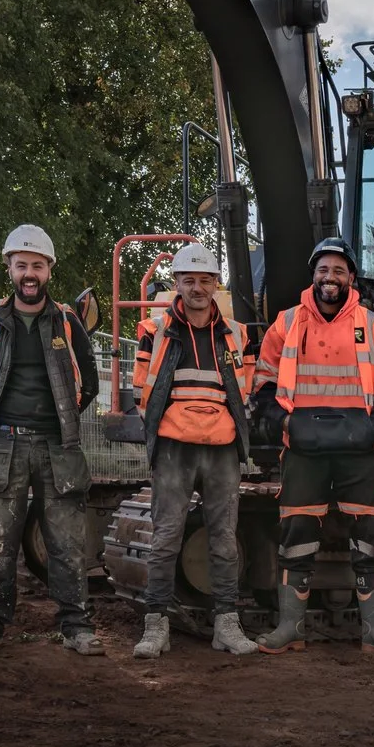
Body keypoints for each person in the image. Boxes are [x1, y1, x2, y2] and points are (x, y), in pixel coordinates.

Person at [250, 236, 374, 655]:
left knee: (371, 535)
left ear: (352, 278)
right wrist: (285, 424)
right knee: (296, 532)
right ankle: (290, 628)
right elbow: (263, 382)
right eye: (323, 269)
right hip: (303, 449)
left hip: (362, 451)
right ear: (313, 274)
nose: (330, 277)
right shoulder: (285, 323)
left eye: (339, 270)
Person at [0, 224, 103, 657]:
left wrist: (61, 419)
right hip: (4, 443)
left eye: (37, 265)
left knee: (68, 544)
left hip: (59, 445)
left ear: (49, 271)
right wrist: (5, 416)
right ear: (10, 269)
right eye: (22, 266)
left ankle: (77, 627)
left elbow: (88, 382)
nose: (29, 273)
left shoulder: (68, 322)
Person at [126, 243, 258, 659]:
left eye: (205, 280)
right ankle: (155, 626)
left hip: (221, 449)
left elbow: (247, 389)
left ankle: (227, 625)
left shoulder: (237, 334)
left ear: (216, 284)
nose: (198, 288)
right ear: (176, 284)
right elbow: (140, 389)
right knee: (166, 537)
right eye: (189, 280)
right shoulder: (154, 330)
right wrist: (170, 428)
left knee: (223, 539)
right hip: (174, 448)